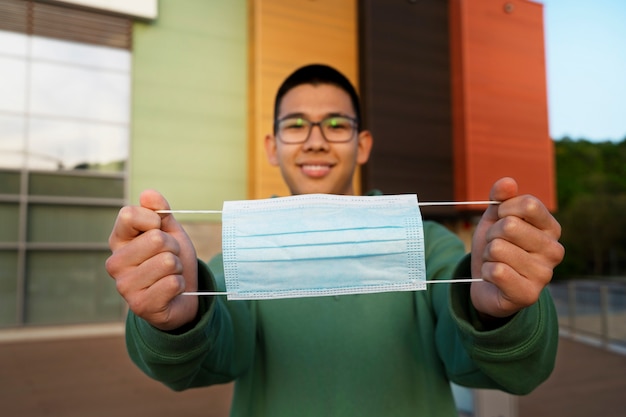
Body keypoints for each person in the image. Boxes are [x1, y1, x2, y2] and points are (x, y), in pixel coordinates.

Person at [106, 64, 564, 416]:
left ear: (362, 144)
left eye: (336, 125)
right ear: (272, 146)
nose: (316, 141)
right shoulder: (246, 254)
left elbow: (514, 370)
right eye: (296, 124)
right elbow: (208, 361)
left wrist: (497, 312)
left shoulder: (427, 246)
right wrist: (177, 321)